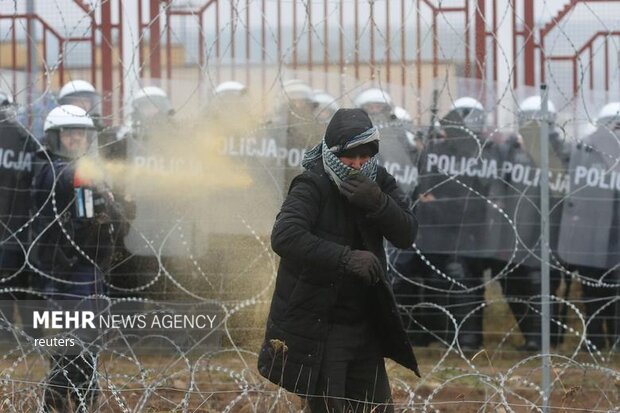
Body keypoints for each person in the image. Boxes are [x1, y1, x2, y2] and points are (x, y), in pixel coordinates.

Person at [257, 108, 419, 413]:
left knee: (376, 407)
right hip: (321, 326)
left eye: (365, 157)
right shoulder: (313, 184)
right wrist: (345, 258)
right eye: (349, 157)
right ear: (332, 153)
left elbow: (407, 233)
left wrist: (379, 203)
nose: (357, 165)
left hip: (366, 323)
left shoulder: (379, 181)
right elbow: (285, 236)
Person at [33, 104, 123, 412]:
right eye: (69, 134)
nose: (76, 140)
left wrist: (110, 206)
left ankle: (77, 396)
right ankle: (69, 397)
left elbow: (104, 219)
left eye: (82, 134)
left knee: (82, 342)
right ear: (55, 138)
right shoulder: (52, 168)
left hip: (88, 270)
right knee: (73, 343)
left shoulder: (84, 170)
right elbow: (81, 212)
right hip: (66, 271)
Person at [0, 91, 40, 341]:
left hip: (11, 225)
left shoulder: (25, 139)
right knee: (24, 285)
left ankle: (5, 335)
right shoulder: (28, 139)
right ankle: (30, 334)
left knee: (7, 285)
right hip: (23, 228)